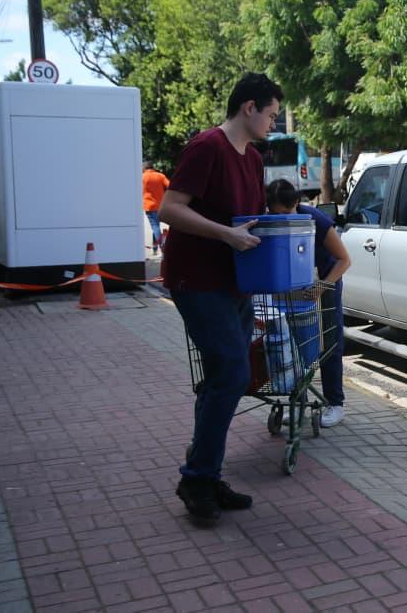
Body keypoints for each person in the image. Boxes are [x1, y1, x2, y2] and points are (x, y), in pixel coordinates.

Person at [160, 72, 284, 523]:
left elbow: (249, 220)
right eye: (270, 114)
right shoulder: (206, 147)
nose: (273, 122)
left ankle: (206, 474)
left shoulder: (252, 159)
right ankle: (196, 479)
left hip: (235, 281)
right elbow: (169, 208)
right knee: (232, 374)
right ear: (248, 107)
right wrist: (226, 236)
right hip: (197, 280)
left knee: (222, 376)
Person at [265, 179, 351, 427]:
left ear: (296, 204)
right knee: (295, 348)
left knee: (328, 345)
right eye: (275, 214)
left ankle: (335, 404)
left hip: (324, 285)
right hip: (290, 289)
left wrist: (322, 287)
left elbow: (344, 260)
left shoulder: (315, 219)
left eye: (287, 213)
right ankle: (299, 404)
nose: (282, 218)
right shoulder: (268, 221)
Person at [142, 162, 170, 256]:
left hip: (149, 206)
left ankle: (162, 247)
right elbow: (170, 186)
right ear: (152, 167)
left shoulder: (142, 177)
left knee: (155, 227)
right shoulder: (160, 176)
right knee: (156, 227)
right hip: (161, 205)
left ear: (144, 168)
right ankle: (154, 248)